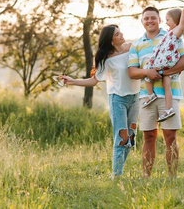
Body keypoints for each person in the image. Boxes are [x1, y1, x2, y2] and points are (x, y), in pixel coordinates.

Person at [58, 25, 140, 177]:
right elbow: (94, 81)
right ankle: (117, 175)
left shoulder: (132, 48)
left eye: (120, 31)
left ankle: (119, 171)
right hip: (118, 99)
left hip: (135, 98)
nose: (121, 34)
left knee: (131, 138)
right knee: (121, 137)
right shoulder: (106, 58)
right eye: (117, 33)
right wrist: (72, 81)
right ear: (111, 40)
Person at [128, 0, 184, 177]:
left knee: (170, 137)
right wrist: (147, 72)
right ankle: (146, 177)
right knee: (148, 137)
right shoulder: (137, 45)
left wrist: (162, 73)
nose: (150, 21)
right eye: (146, 18)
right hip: (146, 97)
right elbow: (132, 72)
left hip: (168, 95)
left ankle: (172, 176)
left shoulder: (171, 36)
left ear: (159, 20)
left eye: (153, 18)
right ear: (142, 21)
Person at [142, 0, 184, 126]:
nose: (166, 21)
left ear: (175, 20)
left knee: (147, 70)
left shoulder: (176, 31)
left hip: (165, 60)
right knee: (166, 84)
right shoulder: (169, 32)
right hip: (167, 61)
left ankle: (150, 94)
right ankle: (168, 109)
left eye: (168, 19)